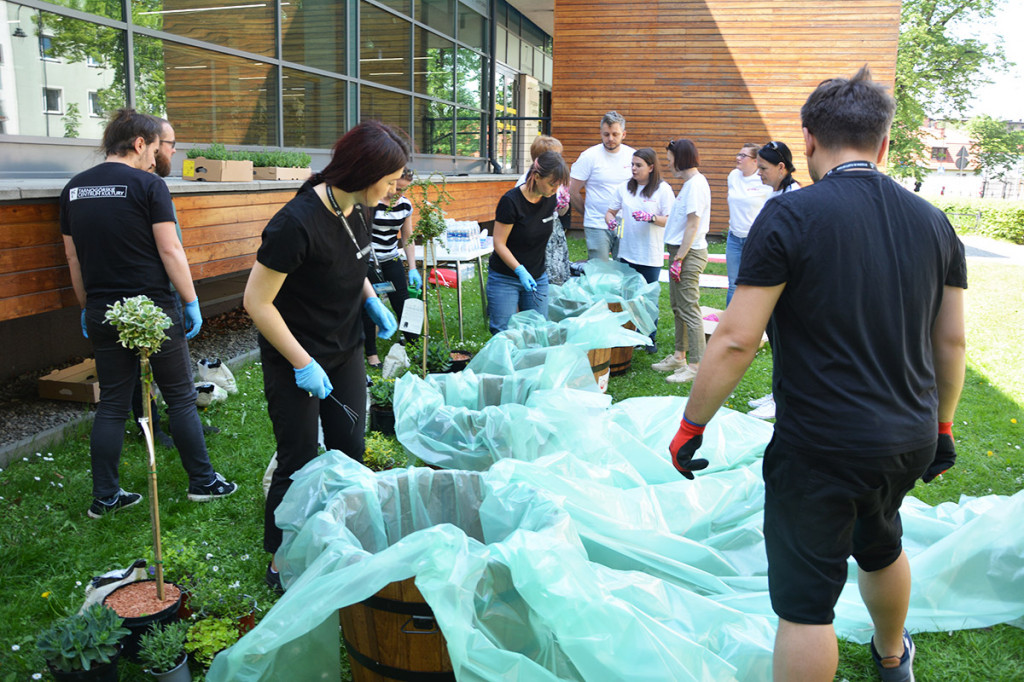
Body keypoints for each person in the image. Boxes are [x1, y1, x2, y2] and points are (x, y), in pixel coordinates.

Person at [668, 66, 966, 682]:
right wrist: (943, 425)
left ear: (807, 139)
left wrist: (690, 425)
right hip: (906, 437)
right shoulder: (935, 223)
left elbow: (735, 338)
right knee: (882, 545)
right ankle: (892, 659)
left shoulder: (791, 216)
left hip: (819, 444)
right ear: (884, 143)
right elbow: (952, 338)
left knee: (806, 607)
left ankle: (879, 653)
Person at [243, 121, 406, 591]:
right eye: (390, 178)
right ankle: (281, 558)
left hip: (345, 348)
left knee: (350, 449)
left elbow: (353, 262)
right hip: (298, 358)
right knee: (297, 459)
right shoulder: (294, 224)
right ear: (363, 170)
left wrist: (370, 298)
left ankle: (339, 534)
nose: (395, 188)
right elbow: (257, 302)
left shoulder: (356, 206)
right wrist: (301, 363)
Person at [60, 109, 237, 519]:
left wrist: (87, 307)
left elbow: (73, 257)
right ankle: (204, 483)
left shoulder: (73, 189)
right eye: (155, 148)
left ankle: (105, 496)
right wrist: (192, 301)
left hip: (104, 309)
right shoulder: (149, 185)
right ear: (140, 143)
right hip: (154, 309)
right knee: (179, 397)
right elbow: (170, 248)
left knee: (113, 404)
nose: (156, 157)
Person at [745, 140, 802, 421]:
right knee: (778, 342)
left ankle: (782, 399)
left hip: (788, 286)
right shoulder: (777, 194)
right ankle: (776, 393)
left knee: (786, 344)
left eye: (764, 168)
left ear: (782, 168)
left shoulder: (794, 196)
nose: (759, 174)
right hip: (774, 283)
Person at [487, 151, 570, 334]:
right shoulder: (511, 202)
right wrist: (519, 270)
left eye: (558, 185)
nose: (555, 189)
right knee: (504, 331)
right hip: (505, 277)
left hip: (538, 276)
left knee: (538, 330)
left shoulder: (550, 199)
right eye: (551, 184)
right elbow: (499, 243)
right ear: (536, 176)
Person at [651, 139, 711, 384]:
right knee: (678, 307)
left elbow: (693, 224)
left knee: (689, 309)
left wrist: (680, 258)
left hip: (688, 253)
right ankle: (679, 357)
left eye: (670, 159)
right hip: (680, 252)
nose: (668, 164)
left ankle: (696, 365)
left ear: (681, 158)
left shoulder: (696, 185)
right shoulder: (689, 184)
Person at [604, 147, 675, 353]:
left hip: (650, 254)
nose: (633, 169)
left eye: (638, 165)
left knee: (648, 298)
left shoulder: (663, 190)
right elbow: (610, 212)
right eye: (632, 165)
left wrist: (651, 218)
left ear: (651, 167)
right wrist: (611, 222)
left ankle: (649, 337)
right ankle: (629, 334)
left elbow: (670, 221)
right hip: (627, 251)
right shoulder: (624, 188)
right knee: (628, 296)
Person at [361, 167, 420, 368]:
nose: (399, 193)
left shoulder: (405, 205)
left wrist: (412, 267)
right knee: (371, 305)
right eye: (398, 188)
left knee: (403, 303)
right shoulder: (371, 203)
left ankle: (414, 347)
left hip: (391, 259)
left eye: (404, 190)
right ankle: (372, 354)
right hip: (369, 261)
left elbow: (407, 237)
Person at [569, 111, 635, 261]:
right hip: (596, 223)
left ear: (623, 134)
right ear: (600, 133)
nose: (610, 139)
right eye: (606, 134)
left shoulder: (633, 157)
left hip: (624, 223)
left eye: (615, 134)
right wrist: (587, 213)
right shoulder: (589, 156)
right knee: (600, 271)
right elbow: (572, 191)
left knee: (624, 268)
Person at [517, 135, 572, 284]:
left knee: (558, 273)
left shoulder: (557, 182)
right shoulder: (525, 182)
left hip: (553, 231)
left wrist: (563, 202)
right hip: (535, 234)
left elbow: (561, 212)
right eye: (556, 156)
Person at [725, 143, 771, 306]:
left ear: (755, 161)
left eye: (743, 156)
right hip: (734, 239)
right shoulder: (733, 176)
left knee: (754, 285)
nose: (738, 158)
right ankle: (730, 326)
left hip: (755, 240)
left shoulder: (763, 180)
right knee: (733, 286)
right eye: (738, 154)